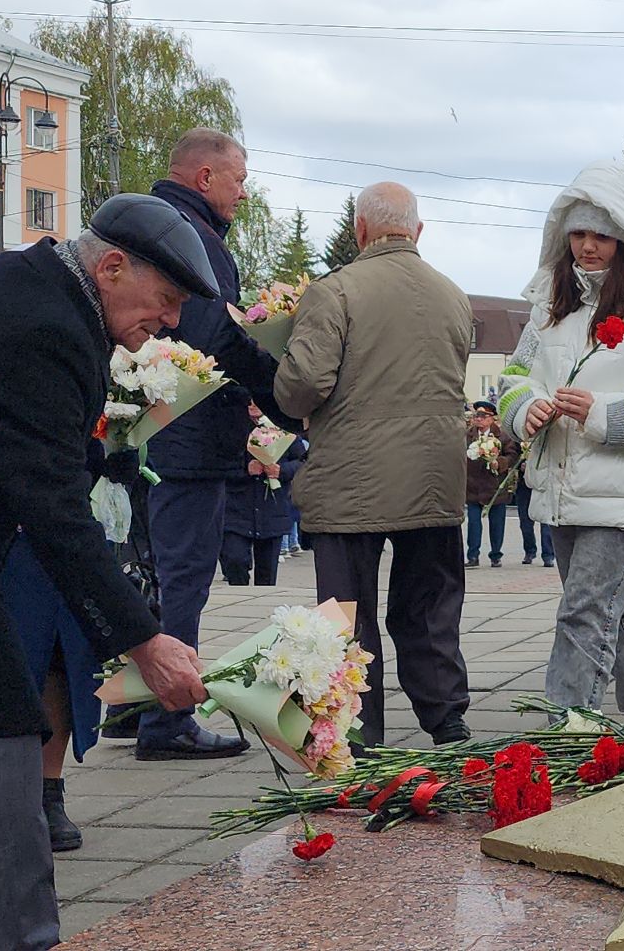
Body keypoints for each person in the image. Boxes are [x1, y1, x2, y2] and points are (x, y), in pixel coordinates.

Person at [0, 194, 212, 951]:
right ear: (114, 266)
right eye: (166, 300)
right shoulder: (43, 325)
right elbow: (56, 512)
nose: (171, 322)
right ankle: (24, 938)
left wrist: (103, 456)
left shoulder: (34, 291)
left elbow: (26, 441)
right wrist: (144, 640)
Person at [498, 159, 624, 726]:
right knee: (611, 608)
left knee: (585, 611)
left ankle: (568, 731)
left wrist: (601, 415)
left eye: (602, 236)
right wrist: (524, 409)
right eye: (580, 234)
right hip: (565, 486)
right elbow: (514, 377)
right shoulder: (550, 305)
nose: (589, 247)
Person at [275, 182, 475, 748]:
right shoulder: (453, 295)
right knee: (431, 608)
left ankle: (358, 735)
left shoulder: (334, 292)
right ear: (417, 231)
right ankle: (448, 721)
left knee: (347, 616)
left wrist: (281, 370)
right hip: (435, 479)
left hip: (351, 484)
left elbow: (305, 385)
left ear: (361, 230)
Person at [138, 127, 290, 761]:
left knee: (144, 576)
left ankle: (132, 704)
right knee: (184, 581)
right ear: (205, 178)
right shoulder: (194, 241)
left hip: (146, 441)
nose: (244, 193)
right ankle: (167, 721)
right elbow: (210, 344)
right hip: (188, 444)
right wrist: (282, 392)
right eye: (240, 179)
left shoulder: (150, 226)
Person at [220, 404, 305, 587]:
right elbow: (218, 461)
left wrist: (281, 471)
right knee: (236, 560)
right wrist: (245, 469)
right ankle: (239, 593)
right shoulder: (231, 426)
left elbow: (304, 461)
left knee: (267, 575)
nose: (253, 404)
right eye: (248, 400)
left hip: (272, 509)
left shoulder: (281, 427)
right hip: (236, 510)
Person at [464, 401, 520, 568]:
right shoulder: (467, 436)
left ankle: (496, 555)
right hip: (473, 488)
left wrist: (499, 463)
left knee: (497, 525)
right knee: (473, 523)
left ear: (492, 418)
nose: (478, 419)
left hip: (495, 489)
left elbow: (513, 456)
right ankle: (472, 556)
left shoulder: (502, 436)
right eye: (476, 416)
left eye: (483, 416)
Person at [514, 483, 555, 567]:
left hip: (546, 487)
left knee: (546, 523)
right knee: (525, 524)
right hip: (525, 486)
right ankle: (529, 551)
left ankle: (548, 555)